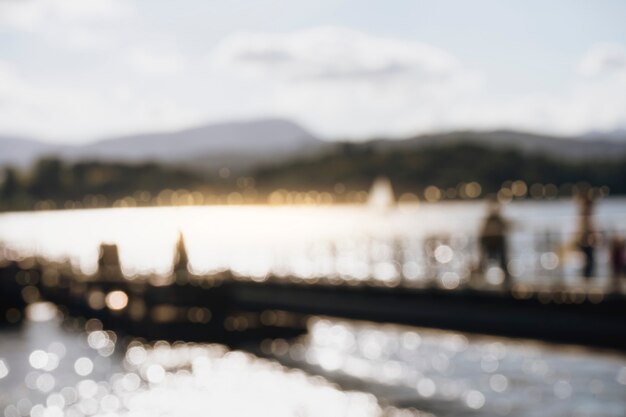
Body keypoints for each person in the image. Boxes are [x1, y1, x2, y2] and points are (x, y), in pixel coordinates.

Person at [479, 198, 510, 287]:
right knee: (484, 263)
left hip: (496, 242)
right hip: (490, 242)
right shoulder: (491, 220)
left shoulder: (496, 219)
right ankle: (481, 282)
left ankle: (506, 283)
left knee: (502, 263)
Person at [576, 195, 597, 280]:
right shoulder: (585, 214)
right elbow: (585, 228)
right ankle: (587, 278)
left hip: (585, 240)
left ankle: (587, 277)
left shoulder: (585, 214)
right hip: (585, 241)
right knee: (589, 261)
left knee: (589, 261)